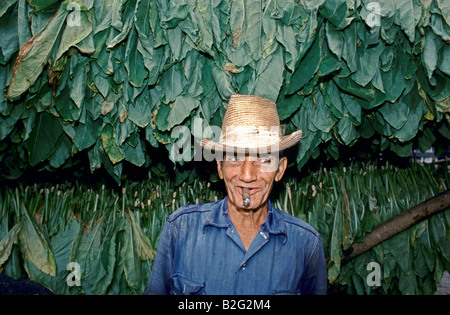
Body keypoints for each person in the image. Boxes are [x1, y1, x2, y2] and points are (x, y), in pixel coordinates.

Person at [144, 94, 327, 295]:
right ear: (220, 168)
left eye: (263, 159)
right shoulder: (181, 230)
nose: (247, 175)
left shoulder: (305, 245)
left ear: (280, 170)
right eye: (234, 158)